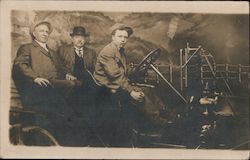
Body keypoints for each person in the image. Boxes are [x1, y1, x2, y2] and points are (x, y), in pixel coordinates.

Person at [12, 21, 89, 146]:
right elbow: (20, 64)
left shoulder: (52, 52)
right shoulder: (27, 48)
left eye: (47, 31)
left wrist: (66, 75)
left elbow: (61, 69)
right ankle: (70, 125)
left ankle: (79, 122)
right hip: (39, 86)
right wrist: (35, 77)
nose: (45, 33)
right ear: (34, 33)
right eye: (41, 31)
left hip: (55, 83)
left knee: (80, 84)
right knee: (72, 86)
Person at [93, 23, 145, 147]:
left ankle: (146, 126)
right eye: (120, 36)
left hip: (116, 84)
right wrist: (131, 91)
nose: (123, 39)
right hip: (105, 88)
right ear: (113, 37)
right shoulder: (108, 51)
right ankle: (150, 126)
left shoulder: (120, 51)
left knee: (144, 91)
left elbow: (123, 73)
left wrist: (137, 74)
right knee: (135, 96)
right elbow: (115, 76)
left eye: (125, 37)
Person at [55, 26, 97, 118]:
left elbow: (96, 70)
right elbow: (57, 67)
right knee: (74, 107)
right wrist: (66, 75)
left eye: (82, 37)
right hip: (70, 83)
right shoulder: (62, 50)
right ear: (72, 38)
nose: (80, 40)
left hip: (87, 83)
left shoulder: (91, 52)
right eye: (77, 37)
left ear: (85, 39)